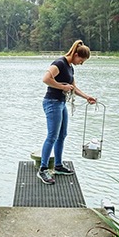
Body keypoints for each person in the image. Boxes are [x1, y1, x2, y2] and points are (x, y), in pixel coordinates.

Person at [37, 40, 97, 185]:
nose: (81, 63)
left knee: (62, 135)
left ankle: (58, 166)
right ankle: (43, 169)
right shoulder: (60, 63)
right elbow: (46, 79)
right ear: (75, 54)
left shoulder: (70, 67)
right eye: (81, 60)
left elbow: (74, 88)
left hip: (61, 103)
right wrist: (61, 87)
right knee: (52, 136)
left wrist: (87, 97)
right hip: (52, 102)